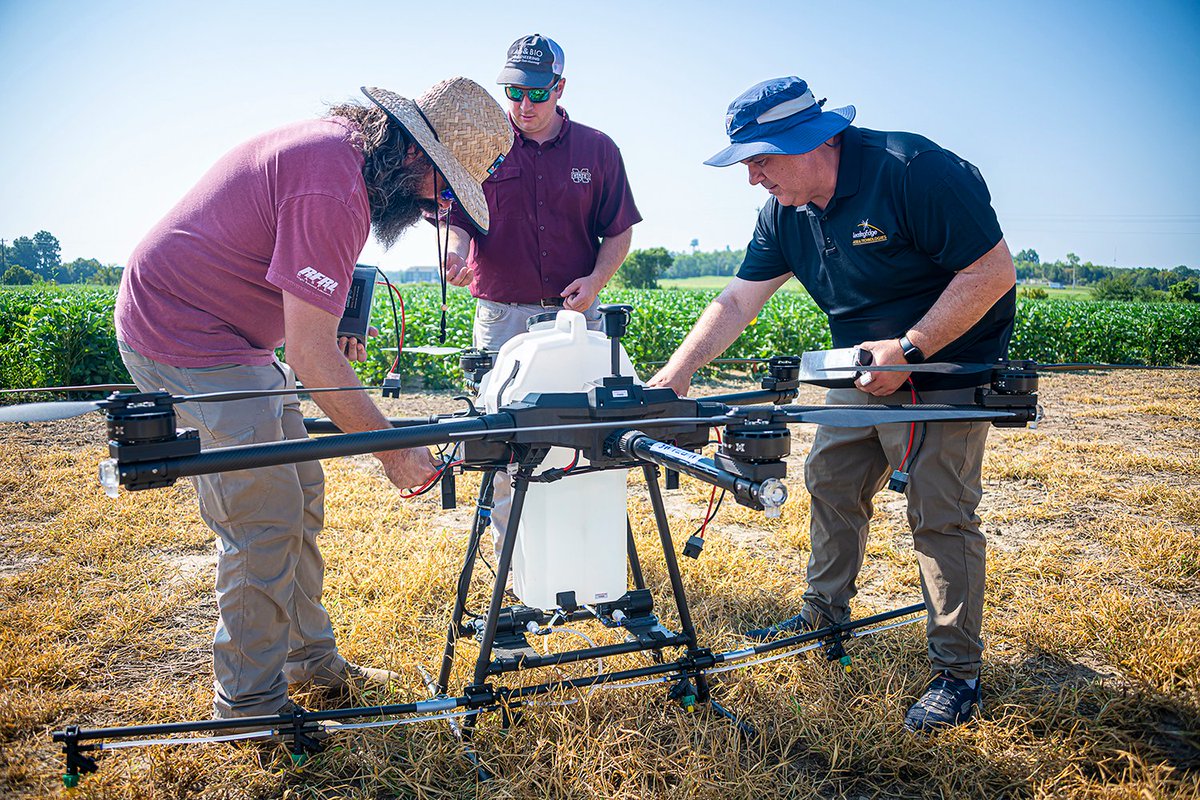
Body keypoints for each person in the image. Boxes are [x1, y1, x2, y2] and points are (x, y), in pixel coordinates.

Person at [114, 77, 513, 723]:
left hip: (238, 342)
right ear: (415, 155)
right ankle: (248, 709)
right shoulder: (331, 181)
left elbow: (301, 287)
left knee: (299, 490)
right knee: (263, 519)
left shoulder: (344, 159)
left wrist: (332, 315)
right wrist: (394, 451)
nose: (437, 209)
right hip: (186, 337)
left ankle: (312, 665)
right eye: (442, 191)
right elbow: (310, 354)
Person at [649, 76, 1016, 732]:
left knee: (939, 513)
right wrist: (671, 381)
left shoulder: (913, 172)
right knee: (831, 480)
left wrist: (912, 346)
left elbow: (991, 272)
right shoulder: (785, 213)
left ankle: (958, 675)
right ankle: (824, 617)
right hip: (861, 366)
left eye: (761, 159)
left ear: (810, 141)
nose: (753, 177)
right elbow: (735, 301)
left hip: (945, 364)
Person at [440, 34, 642, 552]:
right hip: (502, 317)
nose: (523, 106)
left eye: (535, 94)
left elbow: (619, 230)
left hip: (575, 319)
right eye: (513, 93)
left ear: (560, 88)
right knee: (507, 441)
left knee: (591, 435)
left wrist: (595, 282)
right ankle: (517, 558)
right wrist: (457, 253)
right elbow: (458, 221)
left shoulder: (597, 149)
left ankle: (585, 551)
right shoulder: (483, 147)